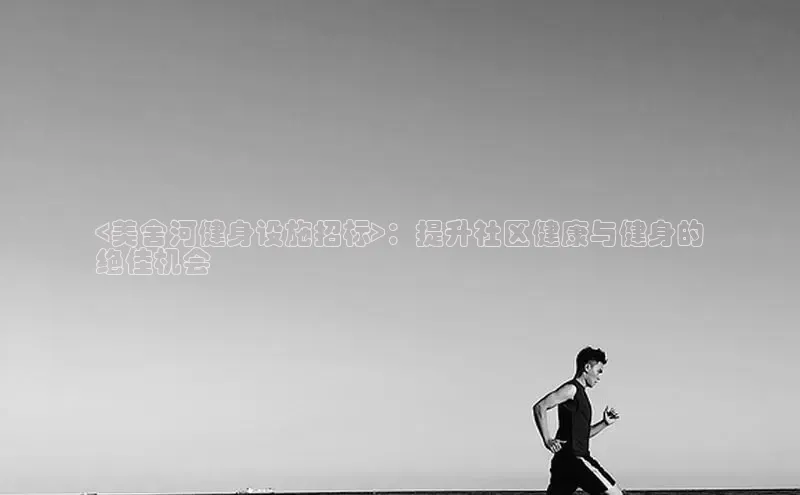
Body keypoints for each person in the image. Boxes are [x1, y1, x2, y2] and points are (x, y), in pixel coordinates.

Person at [532, 346, 623, 495]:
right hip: (576, 459)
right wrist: (547, 439)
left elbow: (582, 434)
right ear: (587, 367)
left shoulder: (581, 395)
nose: (599, 377)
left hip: (564, 462)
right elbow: (540, 407)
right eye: (598, 371)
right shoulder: (572, 389)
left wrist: (604, 423)